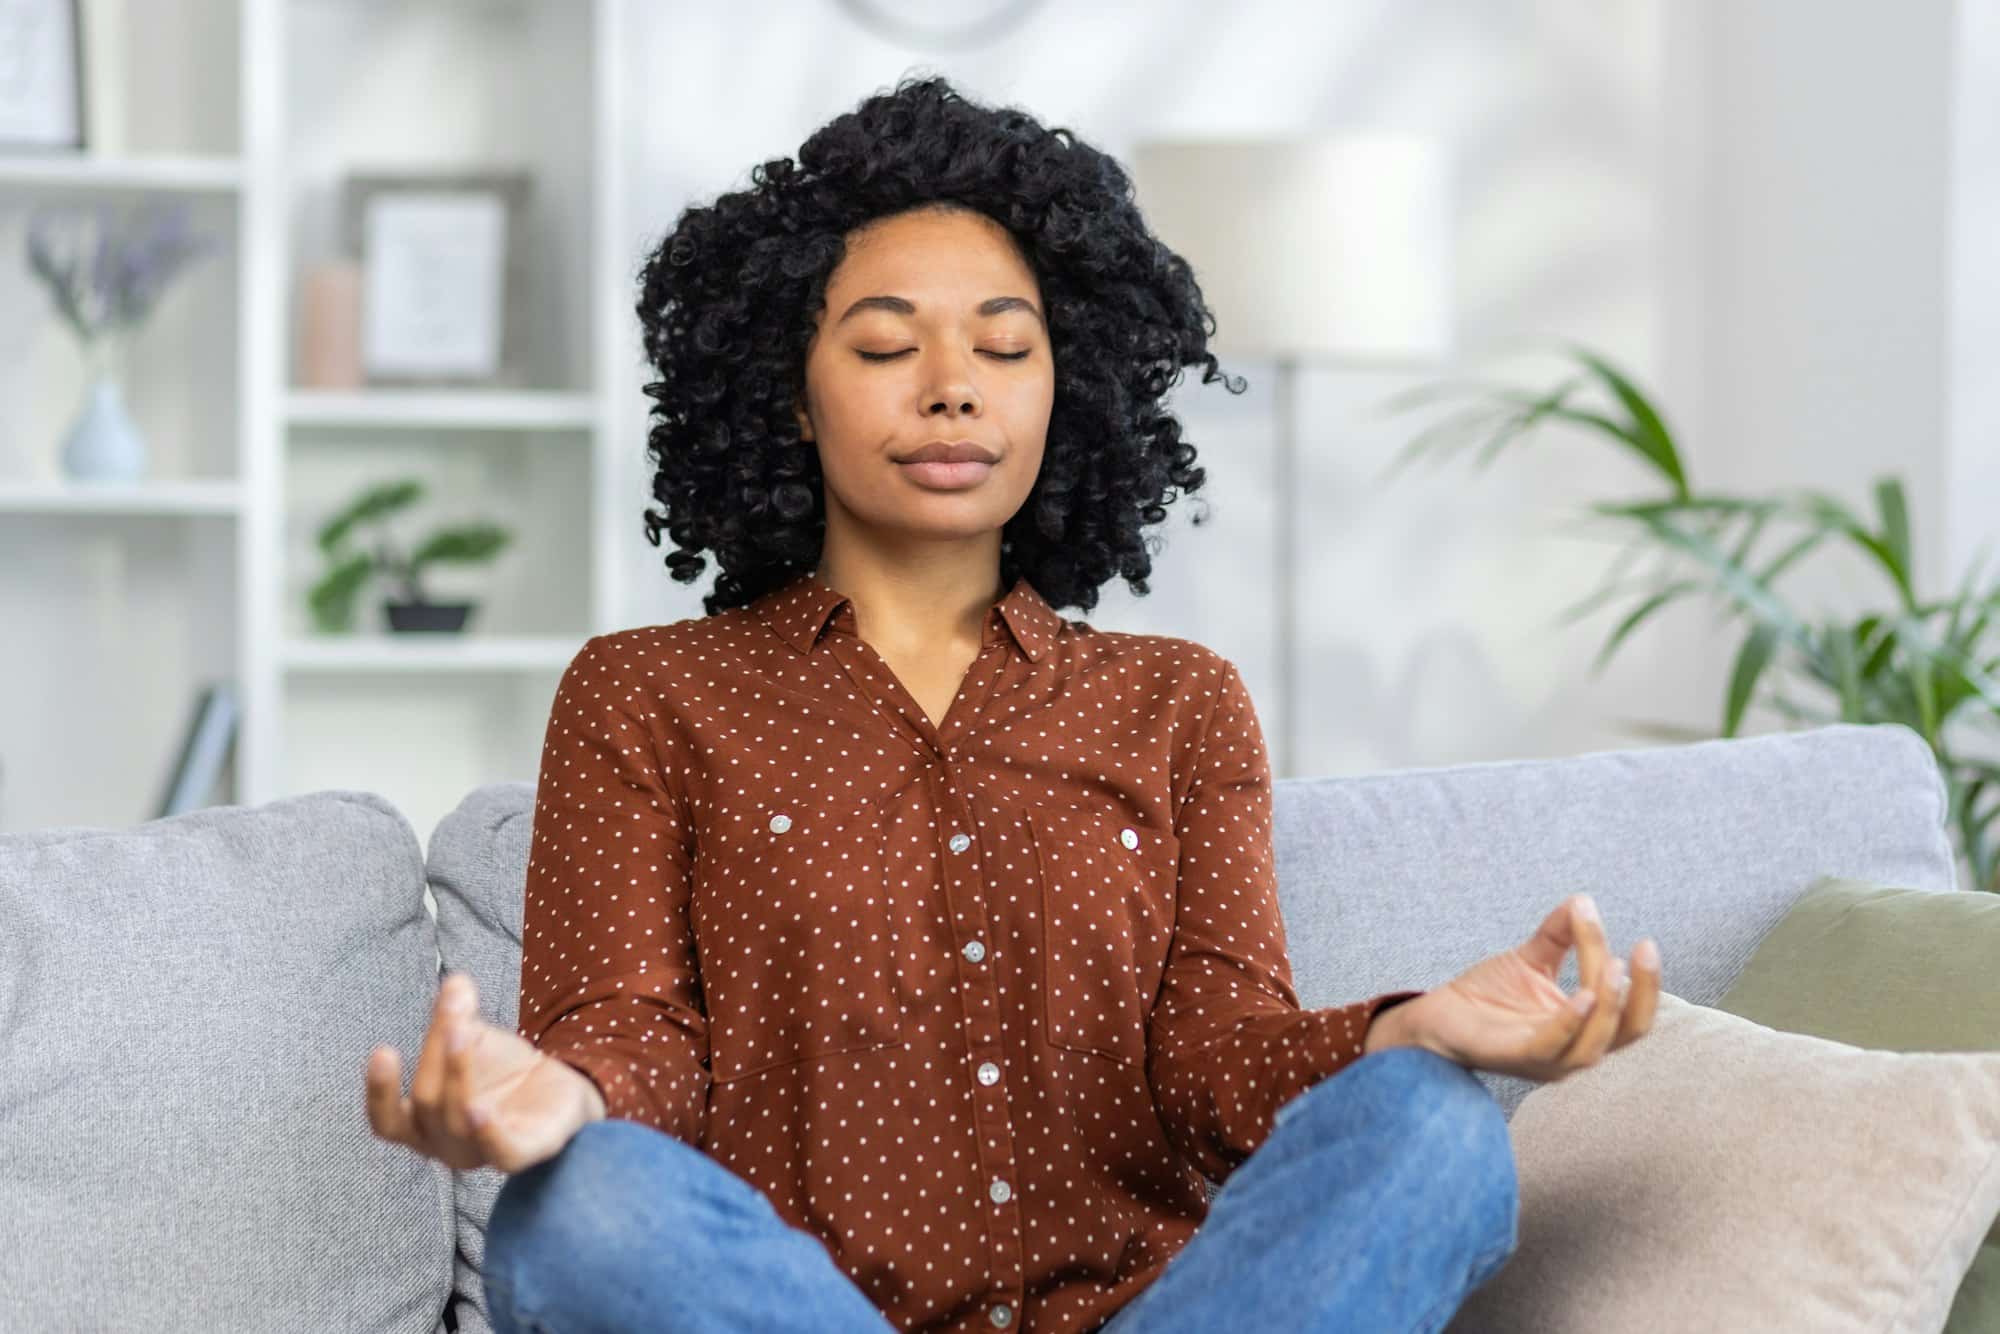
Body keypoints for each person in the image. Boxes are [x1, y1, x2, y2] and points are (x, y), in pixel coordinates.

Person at [364, 74, 1662, 1334]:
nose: (952, 383)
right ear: (791, 395)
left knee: (1435, 1124)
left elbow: (1218, 1063)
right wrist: (561, 1093)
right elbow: (635, 1038)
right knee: (576, 1210)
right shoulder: (647, 694)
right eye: (884, 343)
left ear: (1066, 387)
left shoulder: (1177, 702)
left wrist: (1402, 1027)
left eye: (1004, 344)